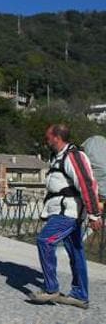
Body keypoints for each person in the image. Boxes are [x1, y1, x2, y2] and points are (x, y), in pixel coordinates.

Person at [29, 124, 103, 308]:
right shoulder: (60, 157)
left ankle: (51, 289)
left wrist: (94, 215)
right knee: (76, 251)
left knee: (45, 241)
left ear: (57, 137)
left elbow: (86, 184)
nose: (46, 141)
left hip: (67, 212)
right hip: (62, 211)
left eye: (48, 138)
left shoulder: (73, 155)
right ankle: (80, 295)